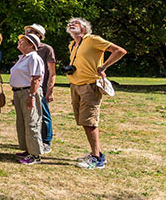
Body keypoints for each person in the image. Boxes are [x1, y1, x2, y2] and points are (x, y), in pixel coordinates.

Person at [66, 17, 126, 169]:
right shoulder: (72, 45)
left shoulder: (92, 40)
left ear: (84, 28)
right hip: (75, 85)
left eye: (76, 23)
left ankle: (97, 159)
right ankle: (97, 153)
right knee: (84, 121)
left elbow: (119, 51)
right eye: (70, 23)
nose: (71, 24)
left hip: (89, 86)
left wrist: (103, 67)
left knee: (90, 122)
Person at [10, 33, 45, 165]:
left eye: (23, 41)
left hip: (28, 92)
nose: (19, 43)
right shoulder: (23, 58)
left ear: (31, 45)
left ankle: (35, 154)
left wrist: (31, 95)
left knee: (32, 121)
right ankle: (27, 149)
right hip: (20, 92)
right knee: (22, 121)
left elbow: (36, 78)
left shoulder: (33, 58)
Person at [25, 24, 55, 153]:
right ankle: (34, 140)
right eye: (27, 31)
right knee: (32, 115)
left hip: (40, 87)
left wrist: (50, 90)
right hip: (27, 87)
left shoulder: (46, 49)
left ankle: (46, 141)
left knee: (44, 114)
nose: (27, 33)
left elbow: (52, 72)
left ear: (39, 35)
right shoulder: (26, 49)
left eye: (31, 31)